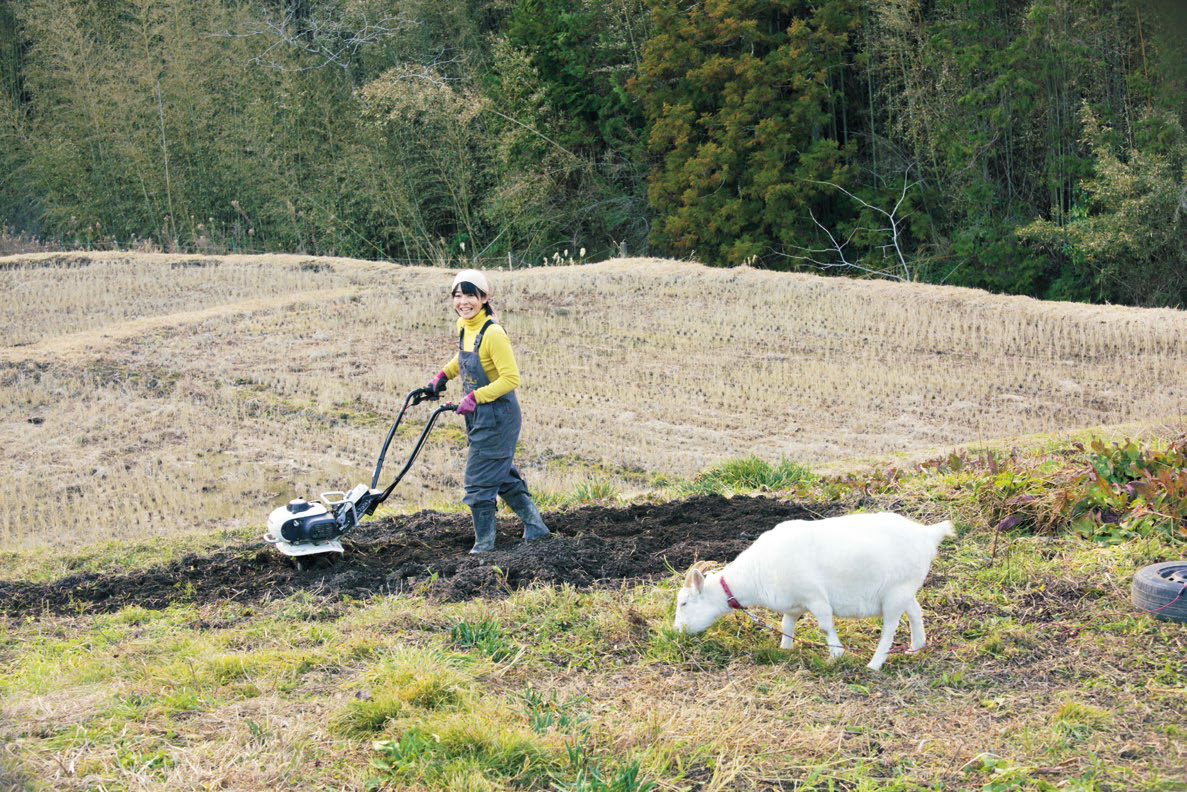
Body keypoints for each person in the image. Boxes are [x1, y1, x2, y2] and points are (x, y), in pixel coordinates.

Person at [427, 269, 550, 553]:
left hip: (499, 416)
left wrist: (475, 396)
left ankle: (484, 546)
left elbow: (510, 379)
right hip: (478, 415)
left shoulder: (493, 333)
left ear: (484, 298)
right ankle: (536, 528)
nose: (463, 301)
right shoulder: (464, 326)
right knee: (500, 472)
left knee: (478, 480)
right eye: (458, 295)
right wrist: (442, 376)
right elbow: (464, 358)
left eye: (470, 295)